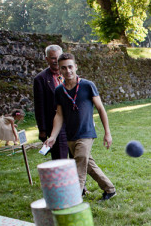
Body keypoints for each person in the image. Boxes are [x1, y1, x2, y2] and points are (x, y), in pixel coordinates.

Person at [44, 53, 116, 202]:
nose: (68, 71)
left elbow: (101, 109)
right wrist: (52, 136)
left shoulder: (87, 85)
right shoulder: (59, 91)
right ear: (60, 70)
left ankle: (74, 198)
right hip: (70, 135)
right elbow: (59, 115)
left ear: (76, 67)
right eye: (64, 68)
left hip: (86, 133)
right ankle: (109, 189)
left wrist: (107, 133)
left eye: (70, 67)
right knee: (87, 164)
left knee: (79, 164)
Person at [34, 45, 69, 159]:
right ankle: (61, 177)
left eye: (58, 57)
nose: (55, 61)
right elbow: (39, 106)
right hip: (55, 124)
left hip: (73, 122)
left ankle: (78, 177)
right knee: (60, 157)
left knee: (79, 157)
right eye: (53, 58)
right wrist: (42, 130)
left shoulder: (69, 74)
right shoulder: (40, 79)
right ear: (47, 59)